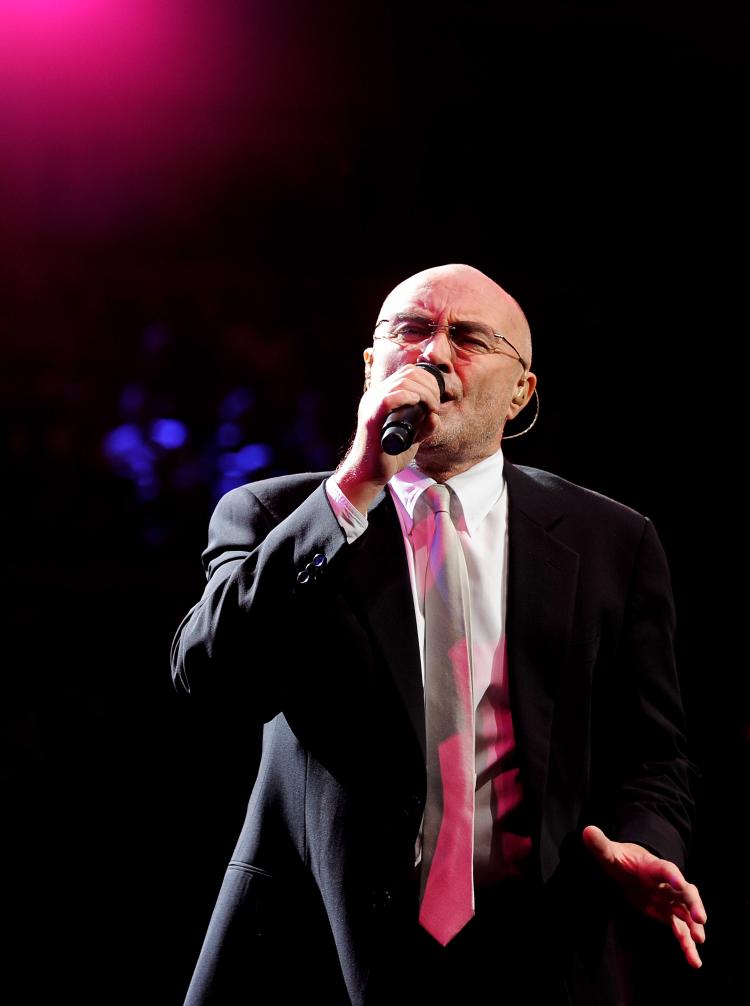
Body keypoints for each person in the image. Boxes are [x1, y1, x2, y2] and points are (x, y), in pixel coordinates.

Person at [171, 264, 706, 1005]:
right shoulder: (272, 518)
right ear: (371, 366)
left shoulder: (613, 540)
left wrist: (643, 841)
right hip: (318, 945)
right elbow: (211, 679)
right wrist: (354, 488)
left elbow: (651, 756)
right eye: (411, 330)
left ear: (521, 391)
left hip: (540, 952)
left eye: (469, 338)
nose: (432, 353)